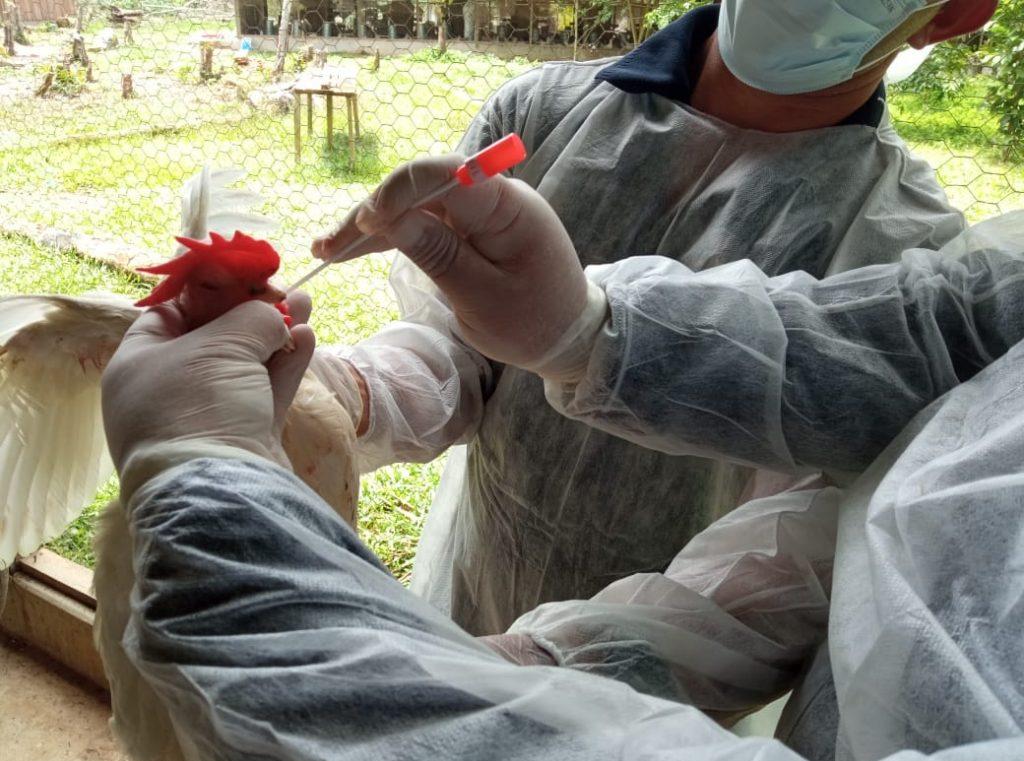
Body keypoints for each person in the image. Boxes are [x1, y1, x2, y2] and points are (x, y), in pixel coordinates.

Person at [100, 202, 1024, 761]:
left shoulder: (898, 216)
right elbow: (829, 537)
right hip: (485, 587)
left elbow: (813, 542)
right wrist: (575, 332)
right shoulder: (545, 109)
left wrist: (204, 483)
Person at [308, 0, 995, 637]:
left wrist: (567, 661)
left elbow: (793, 551)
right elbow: (455, 347)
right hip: (476, 576)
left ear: (957, 14)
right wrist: (347, 393)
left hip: (649, 697)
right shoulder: (544, 112)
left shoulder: (903, 254)